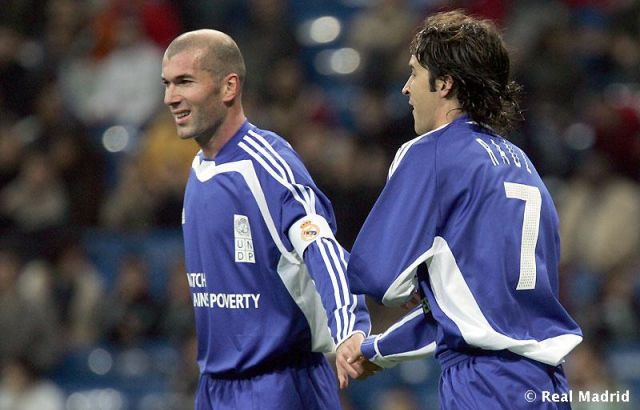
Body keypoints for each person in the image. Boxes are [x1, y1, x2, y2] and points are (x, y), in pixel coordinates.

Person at [342, 11, 583, 409]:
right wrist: (377, 350)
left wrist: (415, 280)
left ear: (445, 83)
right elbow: (473, 310)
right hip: (548, 385)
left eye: (414, 73)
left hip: (483, 385)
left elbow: (377, 278)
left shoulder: (431, 153)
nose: (405, 88)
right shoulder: (523, 165)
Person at [161, 29, 371, 409]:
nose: (170, 97)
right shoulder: (199, 169)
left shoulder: (267, 163)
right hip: (214, 387)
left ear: (229, 87)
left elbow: (321, 246)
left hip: (280, 386)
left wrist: (349, 327)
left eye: (185, 82)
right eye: (168, 84)